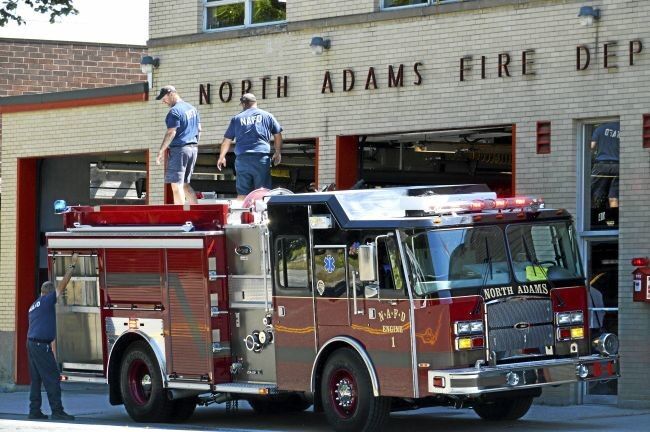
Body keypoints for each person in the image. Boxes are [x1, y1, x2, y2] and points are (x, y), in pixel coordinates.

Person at [27, 253, 79, 421]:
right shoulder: (48, 300)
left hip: (31, 344)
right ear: (48, 293)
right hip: (41, 346)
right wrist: (72, 266)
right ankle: (57, 411)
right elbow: (62, 285)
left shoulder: (33, 306)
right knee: (52, 378)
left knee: (36, 380)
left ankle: (34, 411)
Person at [217, 93, 283, 199]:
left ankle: (241, 214)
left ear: (243, 104)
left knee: (242, 193)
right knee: (263, 193)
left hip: (242, 160)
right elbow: (278, 135)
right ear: (255, 102)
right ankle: (263, 214)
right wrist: (277, 152)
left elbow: (226, 140)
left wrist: (221, 157)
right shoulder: (267, 116)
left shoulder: (237, 119)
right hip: (261, 159)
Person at [155, 85, 201, 205]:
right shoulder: (192, 108)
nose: (163, 101)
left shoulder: (174, 111)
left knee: (176, 185)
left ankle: (181, 216)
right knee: (185, 185)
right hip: (192, 149)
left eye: (164, 97)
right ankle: (196, 213)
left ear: (171, 94)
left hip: (180, 149)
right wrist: (193, 144)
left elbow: (171, 132)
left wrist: (161, 151)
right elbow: (199, 129)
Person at [590, 121, 620, 209]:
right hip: (617, 166)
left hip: (601, 165)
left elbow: (592, 147)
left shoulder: (599, 129)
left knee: (595, 194)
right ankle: (613, 220)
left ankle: (596, 219)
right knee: (613, 197)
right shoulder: (622, 128)